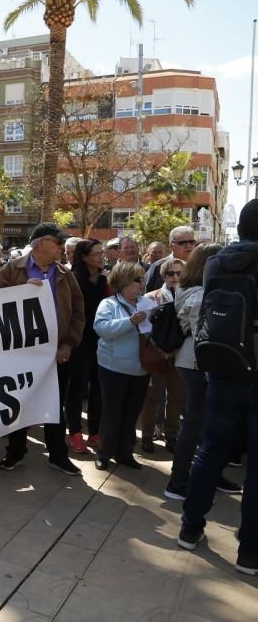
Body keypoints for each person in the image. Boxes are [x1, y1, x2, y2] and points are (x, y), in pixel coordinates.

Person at [178, 199, 258, 575]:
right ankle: (249, 551)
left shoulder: (215, 263)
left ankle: (190, 526)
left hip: (222, 368)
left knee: (209, 451)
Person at [0, 223, 83, 476]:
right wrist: (19, 292)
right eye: (57, 242)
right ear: (42, 243)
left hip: (57, 354)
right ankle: (16, 451)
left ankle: (58, 455)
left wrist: (68, 344)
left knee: (55, 406)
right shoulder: (13, 269)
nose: (61, 247)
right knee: (20, 403)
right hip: (21, 353)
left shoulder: (65, 273)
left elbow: (78, 313)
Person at [164, 243, 242, 500]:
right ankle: (178, 481)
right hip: (197, 364)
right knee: (196, 423)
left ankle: (209, 473)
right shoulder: (198, 294)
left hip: (199, 363)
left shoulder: (197, 290)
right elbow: (204, 338)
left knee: (208, 423)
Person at [93, 262, 150, 471]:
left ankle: (125, 453)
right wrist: (130, 321)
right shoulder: (109, 304)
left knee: (132, 413)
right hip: (113, 368)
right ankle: (104, 453)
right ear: (124, 282)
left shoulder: (147, 302)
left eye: (142, 279)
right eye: (137, 280)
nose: (141, 284)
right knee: (112, 412)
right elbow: (101, 328)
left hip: (141, 368)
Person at [139, 257, 186, 454]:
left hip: (181, 356)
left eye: (179, 273)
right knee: (152, 398)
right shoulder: (150, 298)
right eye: (170, 273)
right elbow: (143, 330)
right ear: (163, 275)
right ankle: (147, 436)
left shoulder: (190, 296)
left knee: (176, 398)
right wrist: (159, 350)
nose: (175, 277)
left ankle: (172, 436)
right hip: (156, 356)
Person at [65, 239, 107, 454]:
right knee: (77, 388)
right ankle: (74, 432)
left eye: (102, 253)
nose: (102, 256)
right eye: (97, 253)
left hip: (102, 342)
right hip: (79, 343)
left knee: (98, 389)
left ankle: (95, 432)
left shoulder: (104, 280)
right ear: (84, 257)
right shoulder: (73, 280)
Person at [143, 225, 196, 293]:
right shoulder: (158, 267)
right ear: (171, 246)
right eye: (182, 243)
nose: (188, 246)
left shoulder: (201, 265)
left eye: (191, 242)